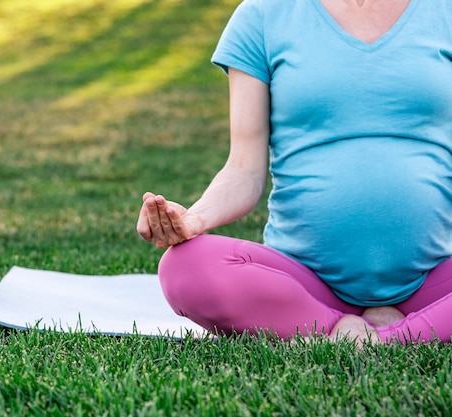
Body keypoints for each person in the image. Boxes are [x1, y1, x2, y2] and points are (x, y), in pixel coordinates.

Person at [136, 0, 452, 345]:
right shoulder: (262, 15)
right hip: (303, 285)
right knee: (184, 268)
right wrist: (195, 219)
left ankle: (389, 336)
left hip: (434, 279)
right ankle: (341, 325)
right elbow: (244, 170)